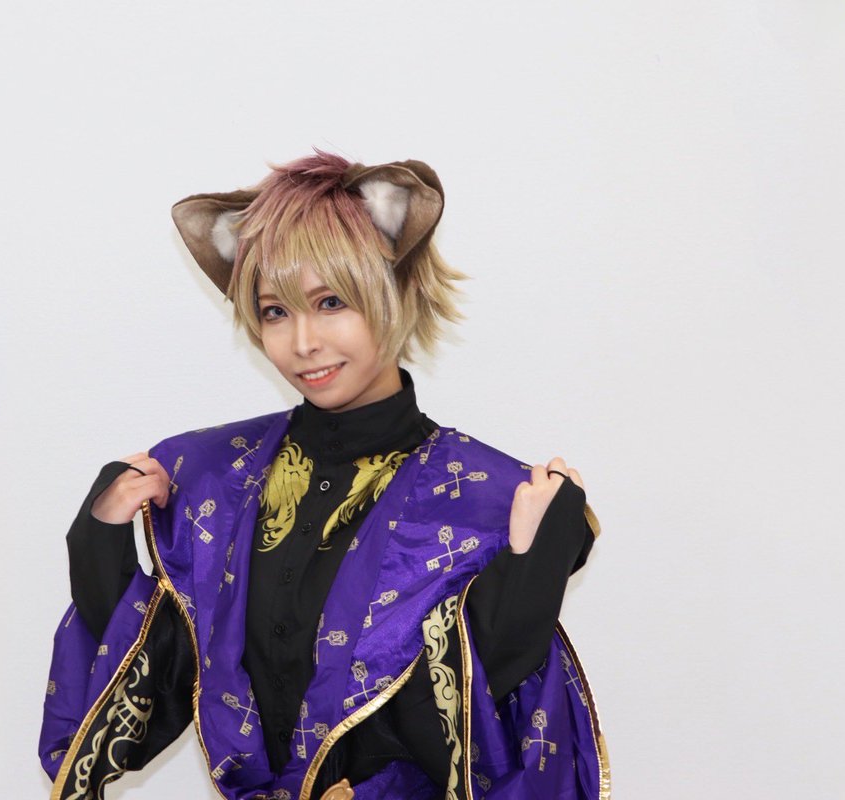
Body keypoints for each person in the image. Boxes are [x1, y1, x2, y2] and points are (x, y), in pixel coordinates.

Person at [39, 150, 609, 800]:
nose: (302, 342)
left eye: (330, 302)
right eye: (275, 311)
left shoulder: (483, 496)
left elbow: (474, 727)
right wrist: (101, 539)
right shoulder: (216, 480)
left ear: (395, 291)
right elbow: (161, 676)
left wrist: (532, 564)